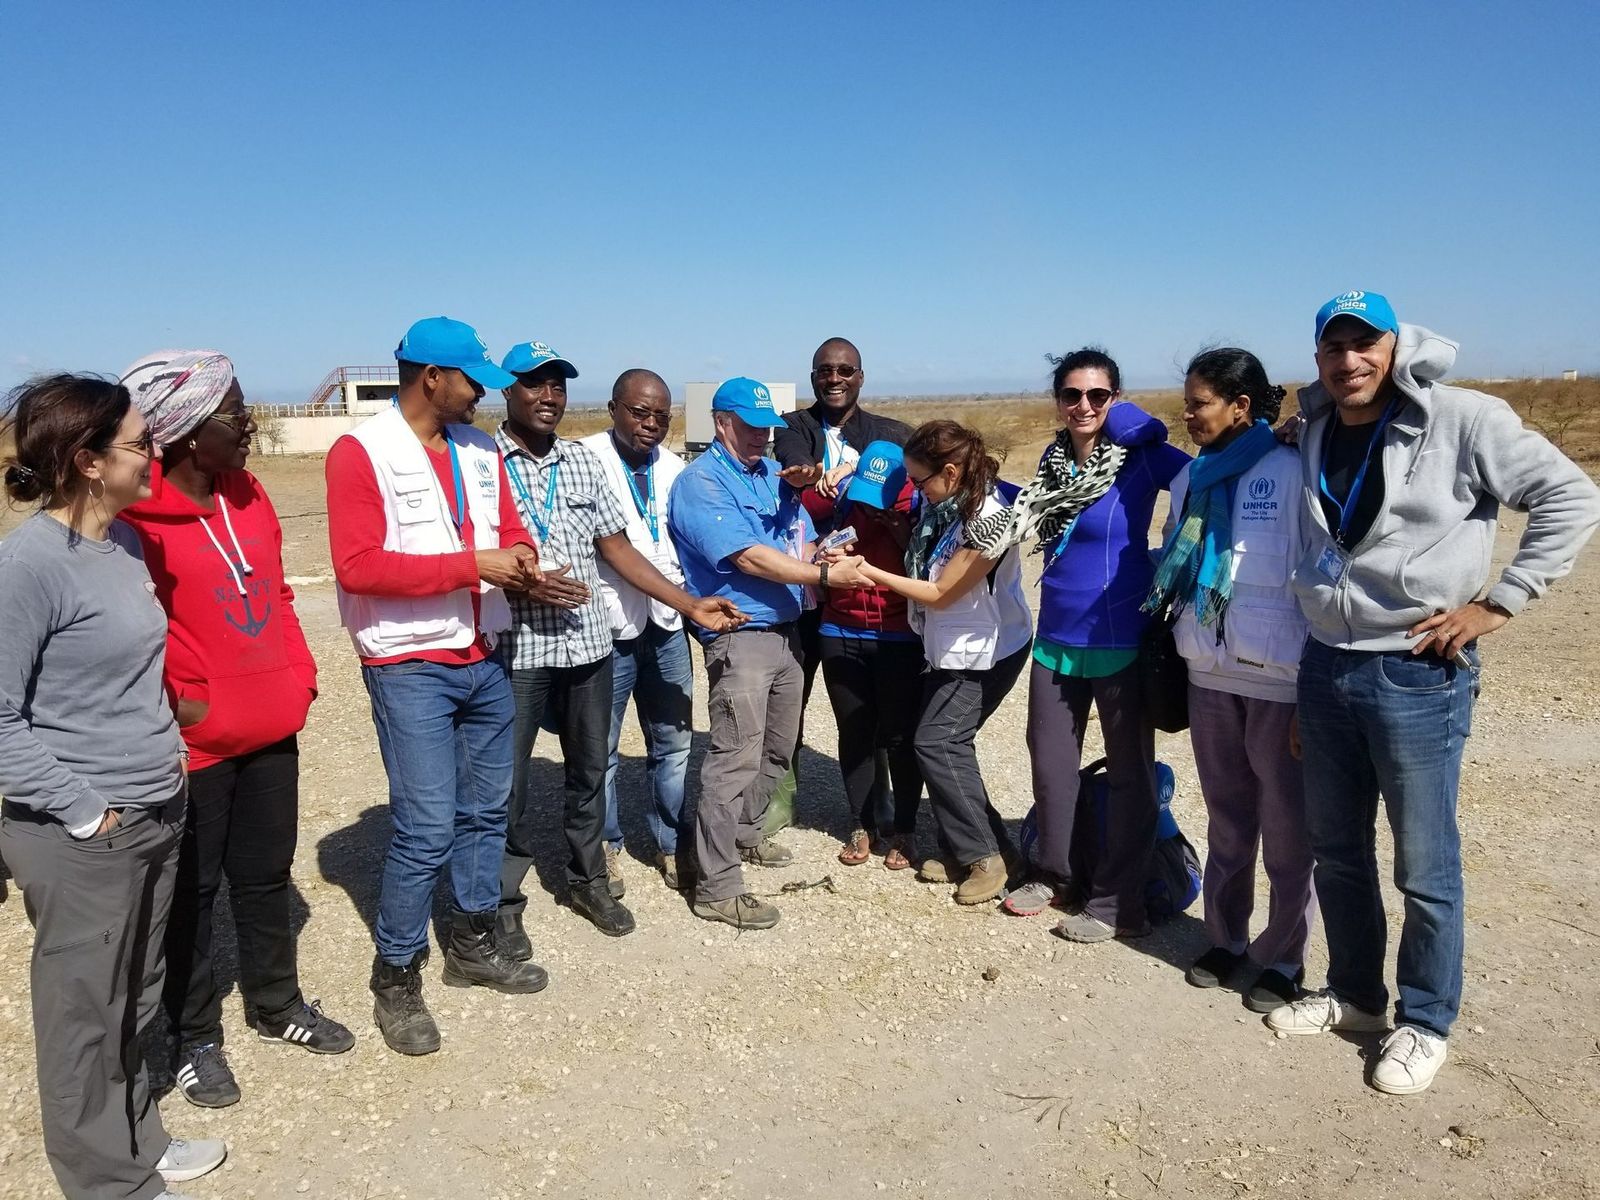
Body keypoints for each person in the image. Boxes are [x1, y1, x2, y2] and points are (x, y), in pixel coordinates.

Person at [1265, 291, 1600, 1095]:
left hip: (1416, 671)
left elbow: (1572, 496)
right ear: (1317, 357)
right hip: (1326, 663)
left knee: (1424, 863)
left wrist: (1499, 602)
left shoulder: (1464, 420)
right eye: (1334, 347)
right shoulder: (1313, 427)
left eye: (1366, 344)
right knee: (1337, 851)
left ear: (1396, 346)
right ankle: (1355, 997)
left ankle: (1424, 1020)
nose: (1350, 360)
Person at [0, 374, 226, 1199]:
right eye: (140, 442)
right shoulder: (28, 565)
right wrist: (85, 810)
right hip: (83, 832)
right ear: (89, 462)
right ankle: (104, 1183)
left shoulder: (122, 544)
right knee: (83, 1014)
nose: (155, 454)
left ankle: (136, 1141)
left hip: (154, 810)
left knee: (135, 993)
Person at [118, 350, 354, 1109]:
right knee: (191, 892)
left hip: (270, 728)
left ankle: (276, 1004)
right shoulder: (134, 520)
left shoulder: (249, 494)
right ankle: (192, 1036)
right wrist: (181, 703)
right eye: (235, 413)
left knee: (265, 875)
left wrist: (299, 677)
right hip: (192, 747)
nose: (251, 424)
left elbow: (277, 594)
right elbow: (127, 636)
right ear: (186, 430)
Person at [326, 316, 547, 1058]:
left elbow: (512, 528)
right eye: (472, 380)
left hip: (483, 653)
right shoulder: (361, 452)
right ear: (431, 378)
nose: (483, 393)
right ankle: (396, 974)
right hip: (409, 663)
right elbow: (358, 566)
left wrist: (521, 556)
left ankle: (472, 943)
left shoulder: (479, 449)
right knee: (426, 826)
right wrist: (472, 565)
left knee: (485, 810)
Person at [494, 344, 743, 942]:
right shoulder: (483, 462)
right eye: (534, 384)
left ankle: (596, 876)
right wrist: (520, 577)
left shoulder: (583, 463)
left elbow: (618, 546)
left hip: (596, 638)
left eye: (557, 386)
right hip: (526, 642)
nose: (549, 396)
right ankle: (501, 903)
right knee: (510, 778)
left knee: (605, 759)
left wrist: (690, 606)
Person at [998, 348, 1191, 941]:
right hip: (1056, 637)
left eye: (1099, 396)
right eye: (1072, 394)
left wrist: (1140, 424)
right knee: (1052, 764)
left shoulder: (1141, 458)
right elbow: (1024, 514)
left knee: (1131, 774)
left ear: (1115, 399)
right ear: (1058, 400)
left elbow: (1204, 477)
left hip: (1121, 639)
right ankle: (1051, 873)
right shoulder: (1053, 464)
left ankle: (1117, 902)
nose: (1084, 405)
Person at [1145, 348, 1314, 1012]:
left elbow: (1316, 573)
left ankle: (1285, 956)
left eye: (1200, 403)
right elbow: (1176, 560)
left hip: (1279, 678)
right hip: (1208, 670)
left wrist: (1313, 690)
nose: (1188, 415)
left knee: (1289, 831)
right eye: (1185, 404)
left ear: (1241, 406)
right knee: (1228, 821)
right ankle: (1226, 939)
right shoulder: (1190, 477)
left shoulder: (1294, 468)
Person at [668, 377, 871, 929]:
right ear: (721, 423)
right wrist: (823, 576)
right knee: (733, 759)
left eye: (769, 428)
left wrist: (824, 551)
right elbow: (750, 557)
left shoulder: (769, 477)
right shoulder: (701, 482)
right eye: (752, 426)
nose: (763, 436)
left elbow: (792, 544)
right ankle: (717, 886)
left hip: (786, 633)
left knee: (778, 749)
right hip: (741, 637)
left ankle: (746, 833)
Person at [833, 420, 1033, 905]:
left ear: (950, 472)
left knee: (938, 742)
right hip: (951, 646)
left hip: (985, 650)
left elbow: (942, 592)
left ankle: (985, 857)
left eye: (920, 480)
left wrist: (868, 572)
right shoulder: (946, 505)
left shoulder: (988, 521)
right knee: (942, 744)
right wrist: (844, 469)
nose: (915, 489)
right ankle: (972, 850)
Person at [768, 337, 913, 832]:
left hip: (861, 591)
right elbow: (795, 466)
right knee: (790, 695)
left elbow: (911, 474)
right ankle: (781, 793)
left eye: (845, 370)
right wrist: (813, 475)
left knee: (869, 705)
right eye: (825, 370)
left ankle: (877, 798)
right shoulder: (792, 426)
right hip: (804, 590)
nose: (835, 379)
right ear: (813, 377)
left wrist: (856, 468)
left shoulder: (888, 433)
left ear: (860, 377)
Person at [578, 369, 697, 892]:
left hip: (666, 626)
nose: (651, 424)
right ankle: (606, 845)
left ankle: (671, 842)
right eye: (639, 412)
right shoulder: (583, 459)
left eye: (661, 416)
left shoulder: (673, 468)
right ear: (613, 409)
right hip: (609, 626)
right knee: (600, 748)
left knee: (674, 742)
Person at [815, 440, 926, 870]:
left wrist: (900, 531)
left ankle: (905, 829)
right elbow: (806, 525)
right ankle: (860, 825)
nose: (868, 504)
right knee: (855, 731)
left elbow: (932, 569)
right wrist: (827, 553)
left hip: (899, 635)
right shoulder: (847, 496)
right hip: (839, 629)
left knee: (900, 735)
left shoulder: (919, 504)